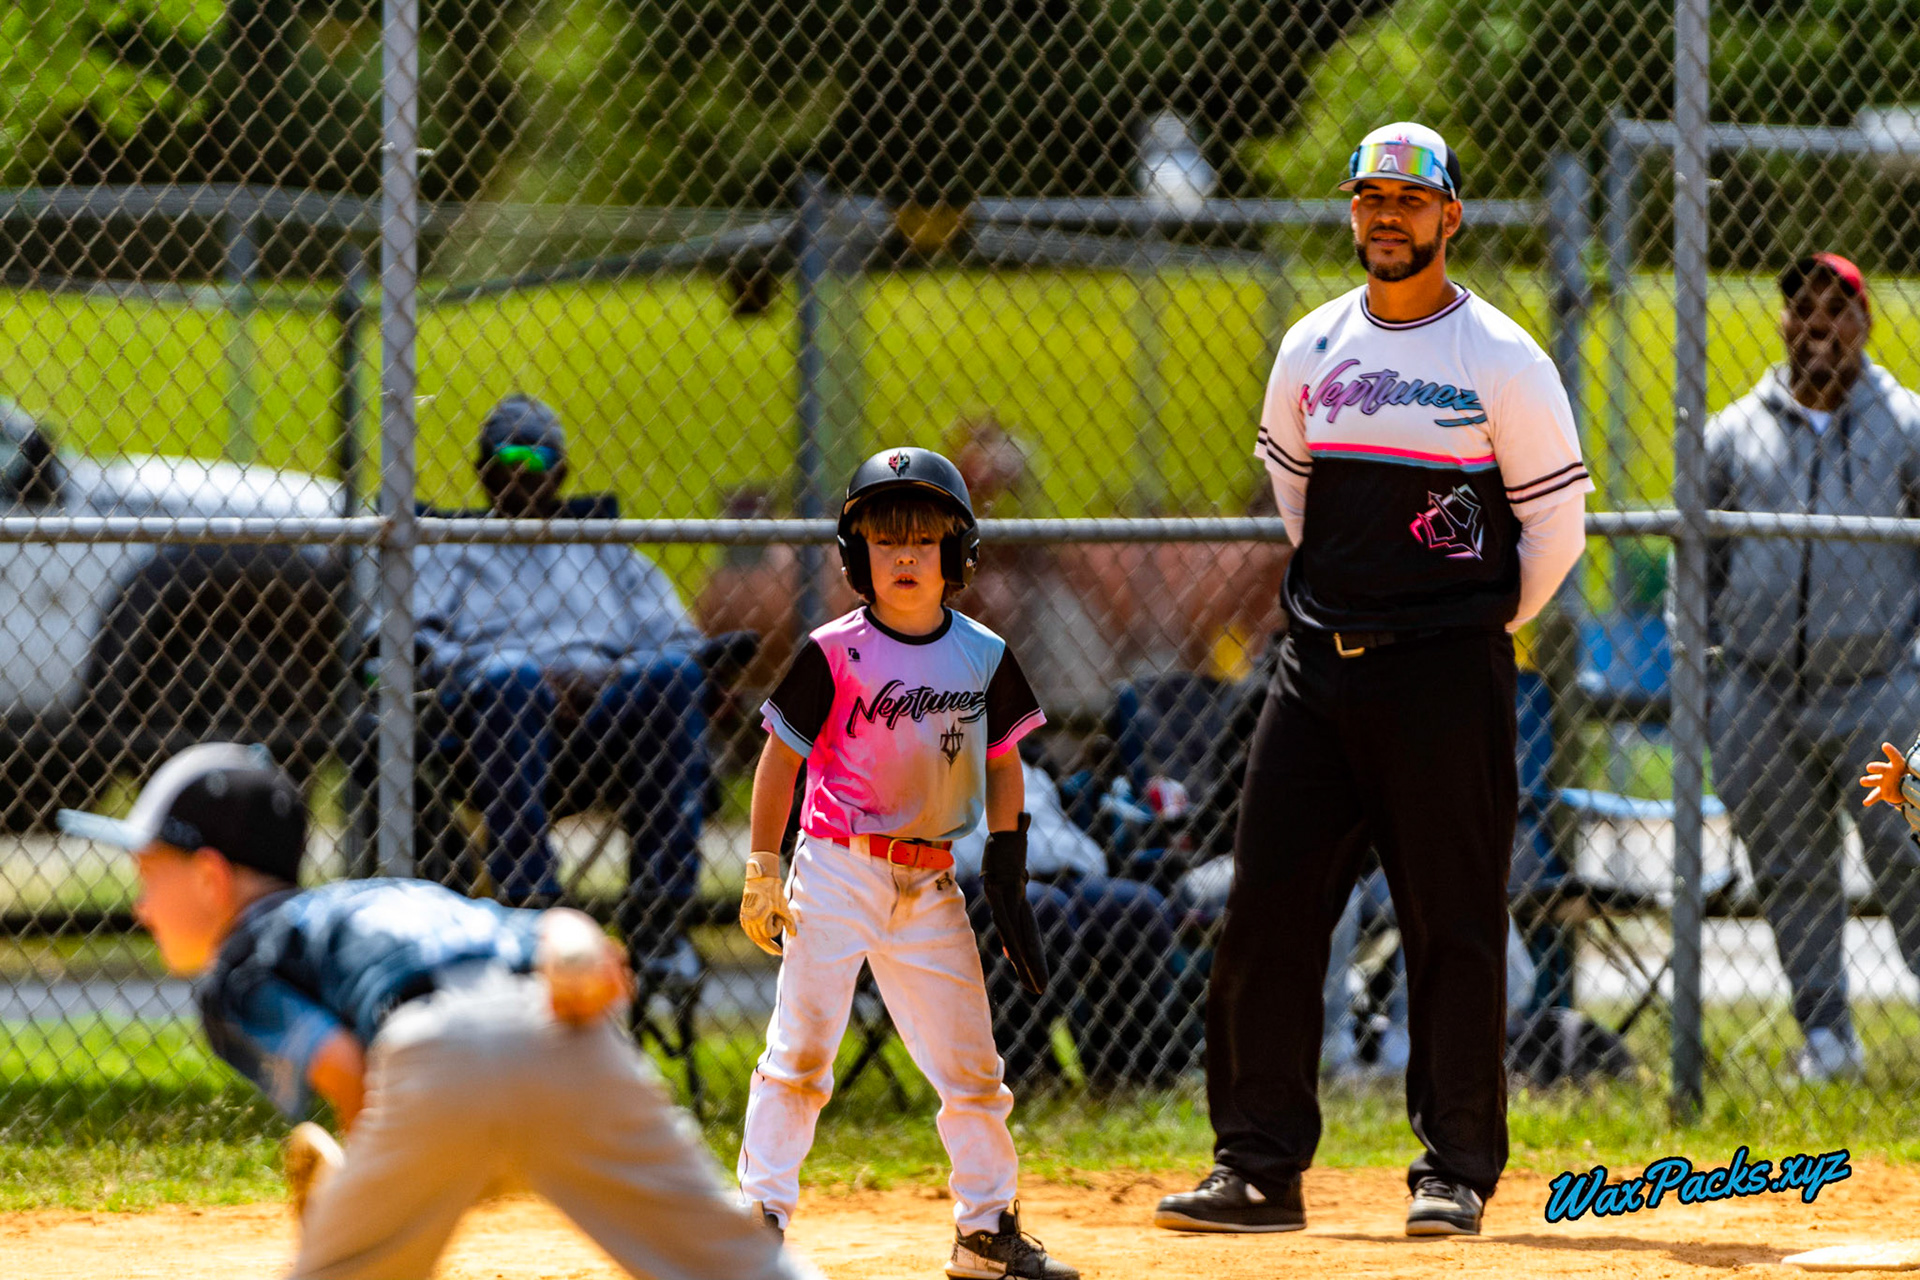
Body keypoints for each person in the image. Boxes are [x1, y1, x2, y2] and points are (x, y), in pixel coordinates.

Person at [1153, 121, 1591, 1239]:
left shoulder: (1500, 356)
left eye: (1410, 197)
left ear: (1452, 215)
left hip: (1446, 676)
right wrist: (1350, 614)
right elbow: (1299, 508)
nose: (1385, 215)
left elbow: (1555, 532)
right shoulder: (1310, 348)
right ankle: (1258, 1166)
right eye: (1368, 197)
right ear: (1352, 213)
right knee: (1266, 914)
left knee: (1452, 919)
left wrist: (1460, 624)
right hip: (1315, 671)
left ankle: (1454, 1169)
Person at [56, 743, 810, 1280]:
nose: (139, 906)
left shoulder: (237, 967)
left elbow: (355, 1076)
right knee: (733, 1264)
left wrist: (380, 1180)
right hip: (569, 1026)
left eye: (150, 875)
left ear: (213, 879)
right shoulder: (391, 895)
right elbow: (574, 947)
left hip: (431, 1053)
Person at [733, 446, 1079, 1279]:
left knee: (971, 1067)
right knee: (802, 1051)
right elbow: (780, 758)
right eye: (885, 541)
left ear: (958, 556)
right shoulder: (833, 650)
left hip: (930, 881)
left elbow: (1003, 760)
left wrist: (1006, 864)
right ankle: (756, 1222)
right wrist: (762, 865)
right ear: (856, 559)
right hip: (839, 866)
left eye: (924, 540)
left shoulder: (985, 653)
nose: (905, 557)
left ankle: (986, 1231)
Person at [1704, 253, 1920, 1082]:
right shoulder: (1733, 432)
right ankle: (1828, 1038)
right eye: (1801, 307)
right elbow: (1700, 570)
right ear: (1784, 322)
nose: (1816, 322)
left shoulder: (1903, 425)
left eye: (1836, 307)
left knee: (1910, 854)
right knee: (1793, 876)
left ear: (1864, 322)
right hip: (1763, 693)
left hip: (1882, 691)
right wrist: (1709, 672)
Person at [405, 394, 710, 956]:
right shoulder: (447, 551)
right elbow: (412, 647)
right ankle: (533, 908)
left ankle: (659, 920)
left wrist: (605, 677)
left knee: (672, 676)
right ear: (481, 471)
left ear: (563, 471)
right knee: (512, 679)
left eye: (536, 458)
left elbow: (680, 639)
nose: (520, 471)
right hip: (493, 736)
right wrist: (522, 675)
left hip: (603, 730)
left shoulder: (604, 549)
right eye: (505, 456)